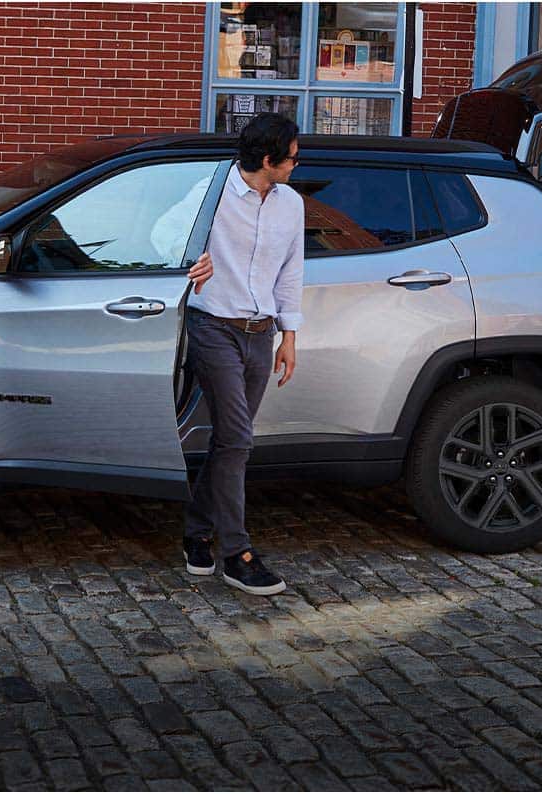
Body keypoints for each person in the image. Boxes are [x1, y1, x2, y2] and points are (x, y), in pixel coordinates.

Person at [180, 112, 303, 596]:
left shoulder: (291, 203)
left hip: (261, 333)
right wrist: (191, 260)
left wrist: (289, 335)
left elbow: (292, 269)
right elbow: (163, 234)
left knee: (230, 442)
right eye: (291, 158)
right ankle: (237, 554)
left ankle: (196, 531)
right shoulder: (212, 192)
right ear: (267, 160)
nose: (296, 165)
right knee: (237, 439)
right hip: (213, 328)